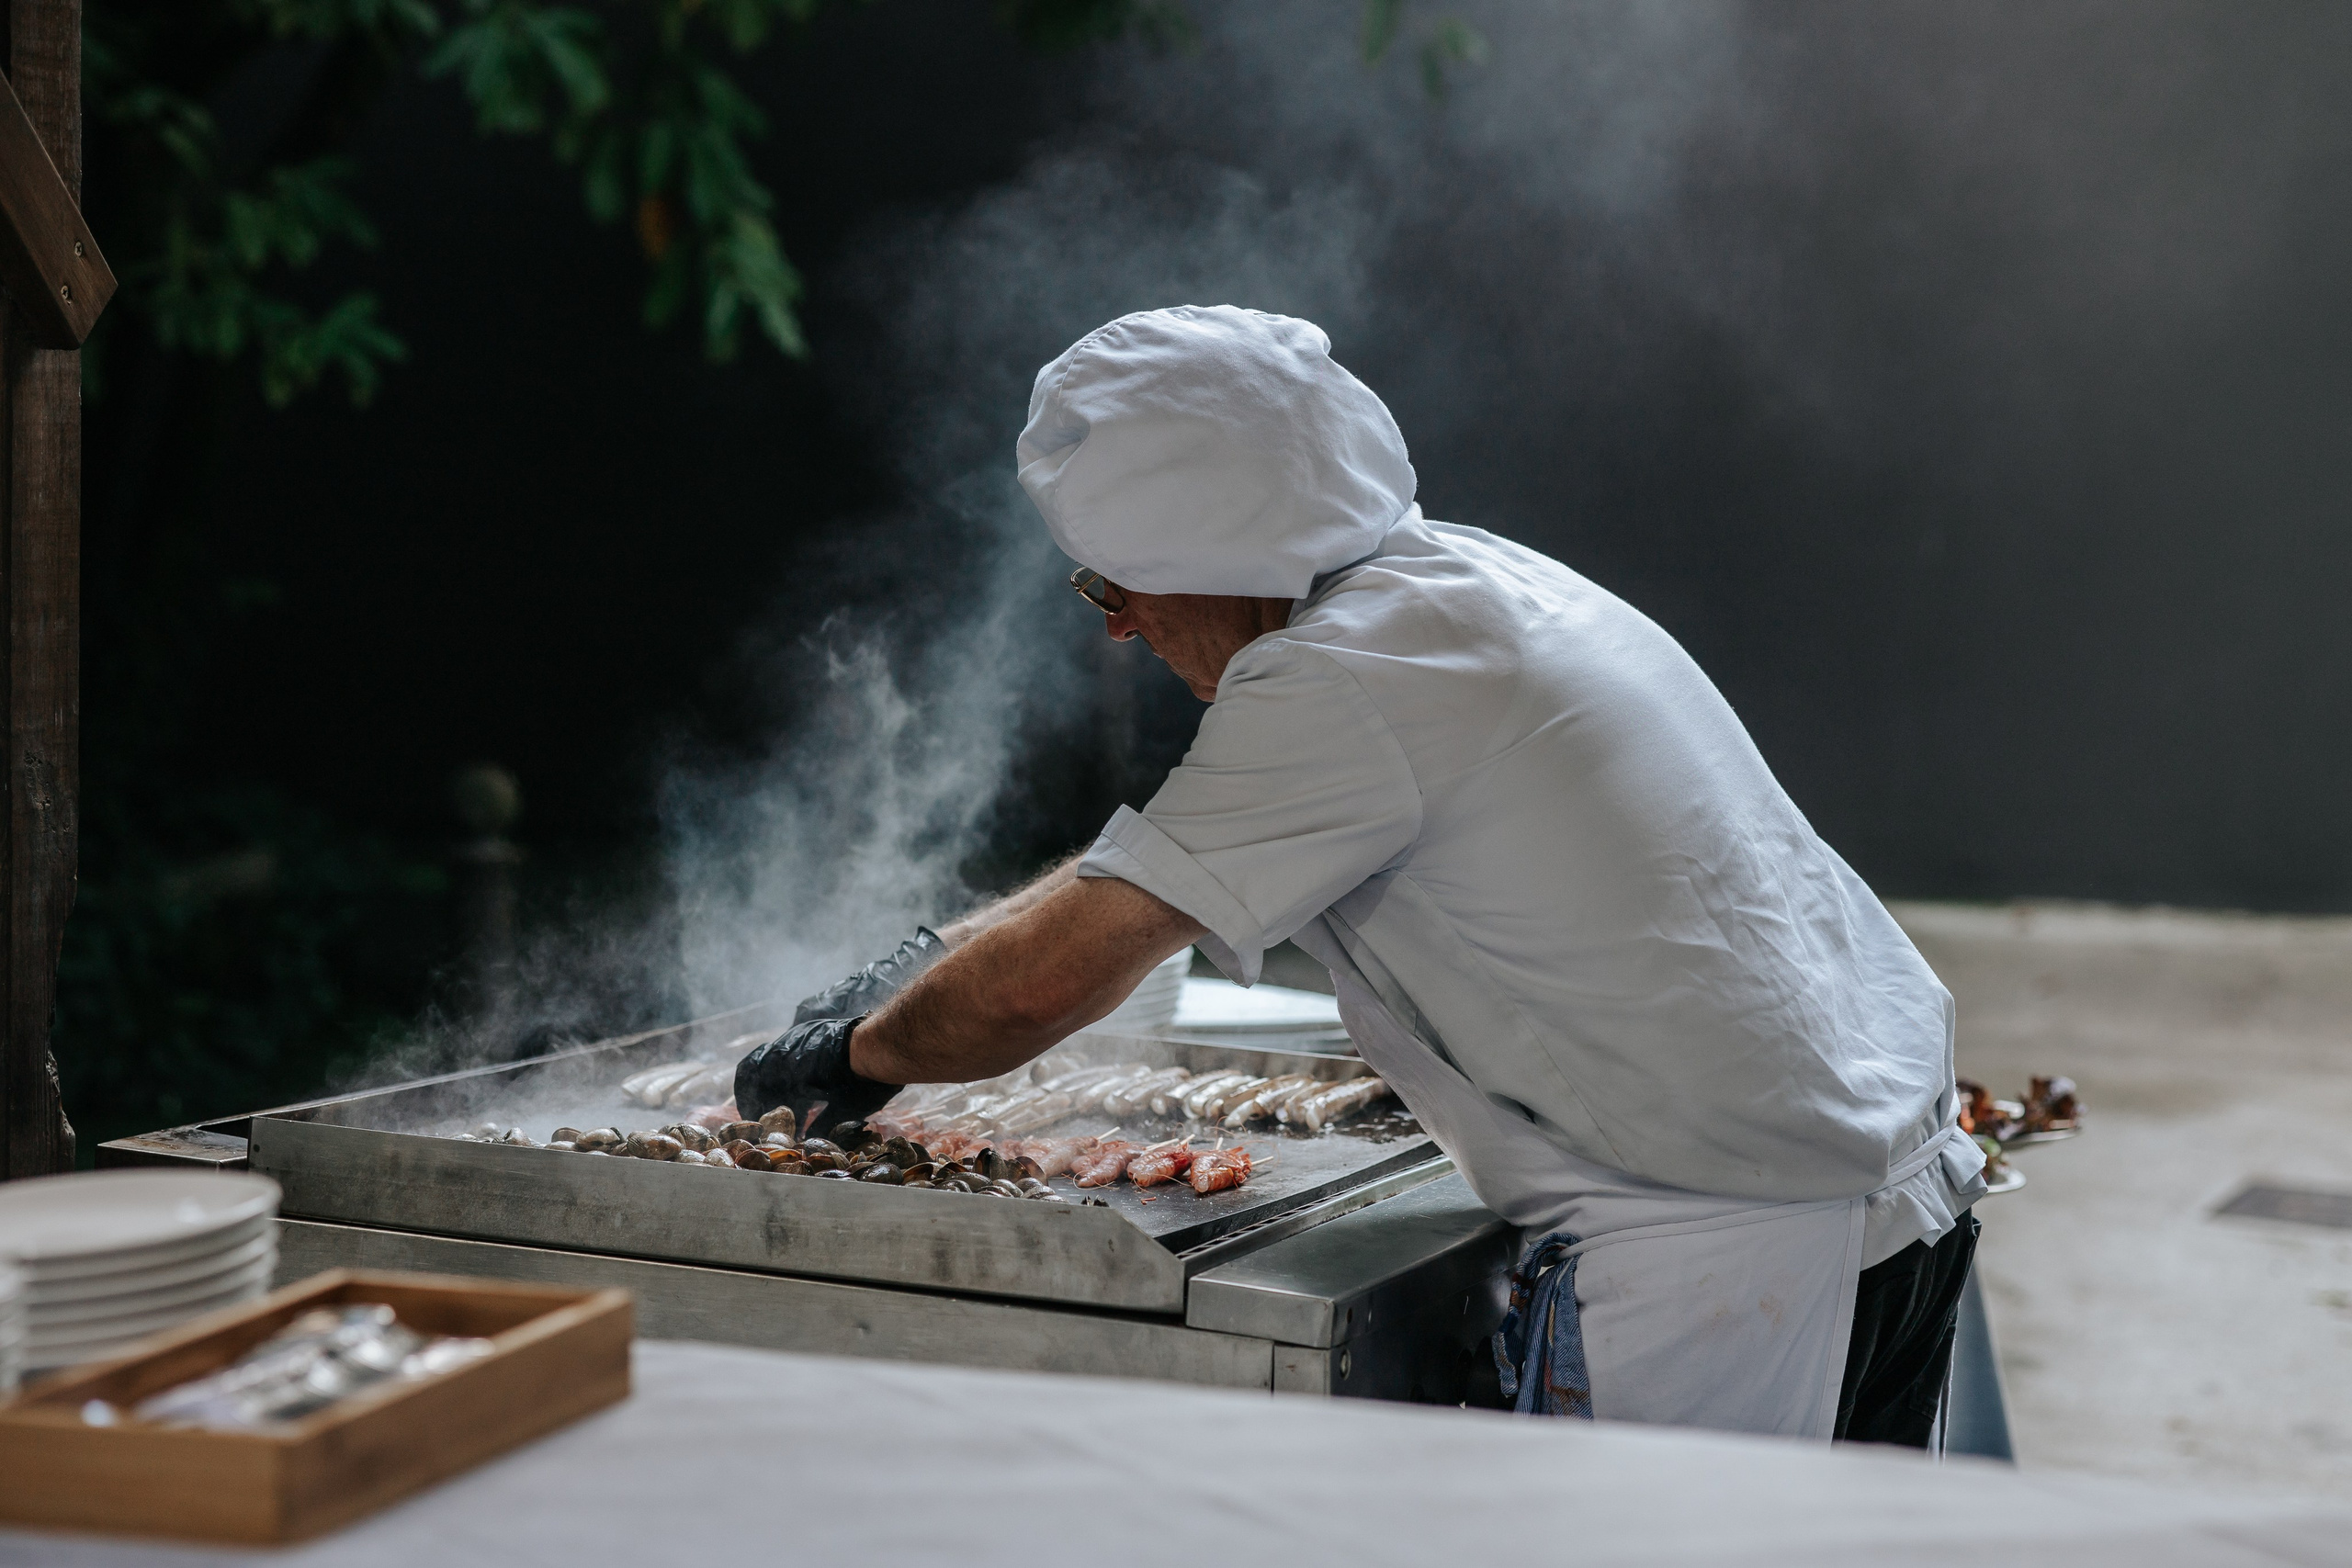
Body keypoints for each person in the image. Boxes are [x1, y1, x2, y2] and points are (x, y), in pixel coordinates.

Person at [738, 304, 1984, 1445]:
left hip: (1725, 1271)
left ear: (1214, 547)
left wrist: (858, 1059)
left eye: (1116, 581)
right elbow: (1146, 867)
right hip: (1871, 1202)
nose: (1114, 622)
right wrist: (919, 964)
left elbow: (1040, 988)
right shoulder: (1461, 585)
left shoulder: (1345, 682)